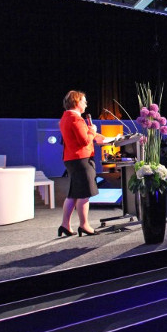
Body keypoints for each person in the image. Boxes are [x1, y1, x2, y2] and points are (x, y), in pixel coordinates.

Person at [58, 90, 104, 237]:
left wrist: (101, 136)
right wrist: (92, 130)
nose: (86, 104)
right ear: (77, 102)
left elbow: (84, 136)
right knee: (84, 194)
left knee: (73, 194)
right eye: (84, 101)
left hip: (72, 159)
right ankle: (84, 225)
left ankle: (65, 225)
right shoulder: (76, 119)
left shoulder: (66, 117)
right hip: (81, 160)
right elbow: (84, 140)